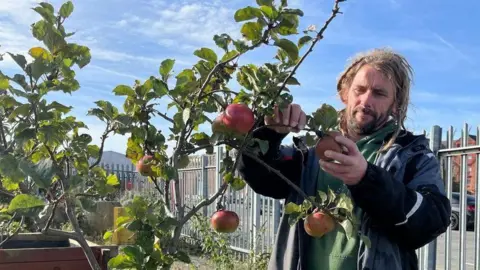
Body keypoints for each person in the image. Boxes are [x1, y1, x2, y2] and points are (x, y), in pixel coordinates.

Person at [237, 48, 451, 270]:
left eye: (379, 93)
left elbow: (431, 221)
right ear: (345, 93)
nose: (366, 100)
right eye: (360, 89)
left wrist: (366, 179)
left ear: (395, 105)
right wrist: (269, 133)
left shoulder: (412, 156)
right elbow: (261, 177)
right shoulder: (310, 153)